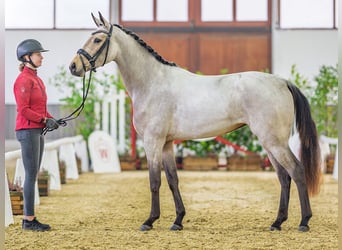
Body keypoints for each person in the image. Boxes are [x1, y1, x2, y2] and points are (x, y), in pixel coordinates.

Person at [14, 39, 59, 231]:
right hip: (27, 130)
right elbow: (23, 109)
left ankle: (29, 218)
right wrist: (43, 120)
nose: (41, 57)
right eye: (38, 54)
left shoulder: (36, 79)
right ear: (27, 57)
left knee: (33, 173)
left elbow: (39, 107)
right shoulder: (23, 80)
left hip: (36, 129)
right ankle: (28, 219)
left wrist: (51, 119)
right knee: (31, 175)